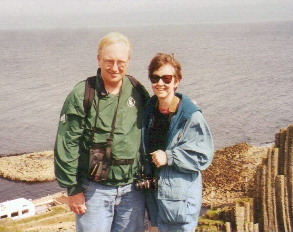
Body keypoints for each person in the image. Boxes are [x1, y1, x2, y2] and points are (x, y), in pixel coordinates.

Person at [54, 32, 150, 232]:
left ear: (129, 61)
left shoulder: (136, 90)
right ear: (99, 59)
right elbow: (67, 143)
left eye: (121, 62)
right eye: (109, 61)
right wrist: (73, 189)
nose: (115, 68)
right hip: (94, 189)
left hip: (132, 190)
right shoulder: (83, 93)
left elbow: (154, 125)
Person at [142, 53, 214, 232]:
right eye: (155, 78)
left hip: (179, 205)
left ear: (176, 81)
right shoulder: (149, 111)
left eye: (166, 78)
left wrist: (169, 157)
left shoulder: (191, 116)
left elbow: (203, 155)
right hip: (154, 200)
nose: (160, 83)